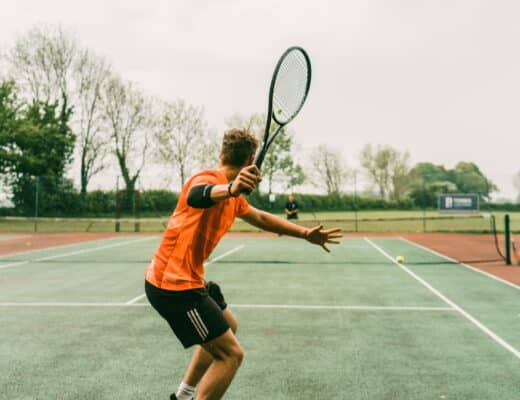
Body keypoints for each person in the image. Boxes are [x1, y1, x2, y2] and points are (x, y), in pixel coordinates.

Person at [145, 128, 342, 400]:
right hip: (172, 288)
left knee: (229, 326)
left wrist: (305, 233)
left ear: (222, 153)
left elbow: (260, 218)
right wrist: (229, 188)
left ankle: (183, 395)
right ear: (252, 160)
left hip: (185, 279)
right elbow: (197, 195)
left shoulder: (234, 198)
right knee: (231, 355)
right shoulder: (208, 179)